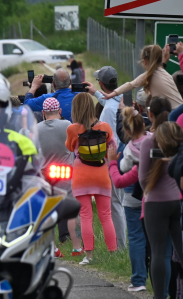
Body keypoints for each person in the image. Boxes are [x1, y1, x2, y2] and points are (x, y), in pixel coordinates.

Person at [138, 119, 183, 299]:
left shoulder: (149, 142)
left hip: (155, 201)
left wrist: (149, 191)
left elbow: (142, 177)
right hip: (178, 200)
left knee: (158, 252)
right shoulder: (181, 142)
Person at [65, 93, 117, 265]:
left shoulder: (73, 129)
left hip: (81, 176)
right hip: (101, 175)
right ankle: (113, 253)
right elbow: (113, 149)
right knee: (106, 216)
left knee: (85, 216)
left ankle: (89, 256)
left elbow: (69, 146)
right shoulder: (105, 127)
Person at [108, 107, 149, 291]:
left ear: (126, 130)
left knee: (135, 237)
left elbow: (121, 174)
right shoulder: (153, 140)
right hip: (153, 196)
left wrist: (112, 163)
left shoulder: (128, 147)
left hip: (133, 195)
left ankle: (139, 279)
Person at [86, 66, 126, 248]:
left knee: (117, 203)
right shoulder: (118, 99)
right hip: (120, 157)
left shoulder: (108, 111)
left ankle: (121, 245)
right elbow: (108, 100)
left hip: (113, 158)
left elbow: (110, 137)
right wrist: (95, 93)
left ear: (102, 83)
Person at [37, 97, 81, 257]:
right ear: (60, 111)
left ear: (43, 113)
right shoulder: (67, 125)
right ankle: (67, 237)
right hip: (64, 171)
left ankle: (48, 242)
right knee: (67, 203)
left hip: (44, 173)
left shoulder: (36, 129)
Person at [103, 45, 183, 108]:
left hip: (173, 112)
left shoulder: (150, 75)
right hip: (180, 108)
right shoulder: (163, 72)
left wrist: (111, 94)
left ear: (145, 61)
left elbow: (130, 85)